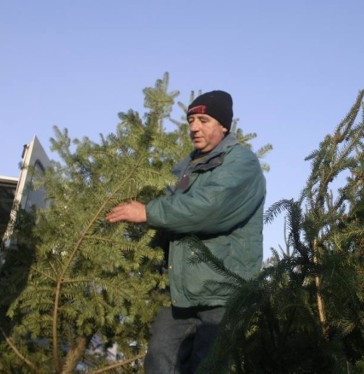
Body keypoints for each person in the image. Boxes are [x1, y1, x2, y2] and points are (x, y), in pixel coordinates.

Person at [106, 90, 266, 373]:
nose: (194, 127)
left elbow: (210, 209)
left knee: (207, 366)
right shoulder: (185, 168)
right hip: (181, 294)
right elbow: (173, 218)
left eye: (203, 120)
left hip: (222, 294)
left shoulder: (242, 163)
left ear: (223, 125)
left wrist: (148, 212)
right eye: (191, 120)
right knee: (158, 360)